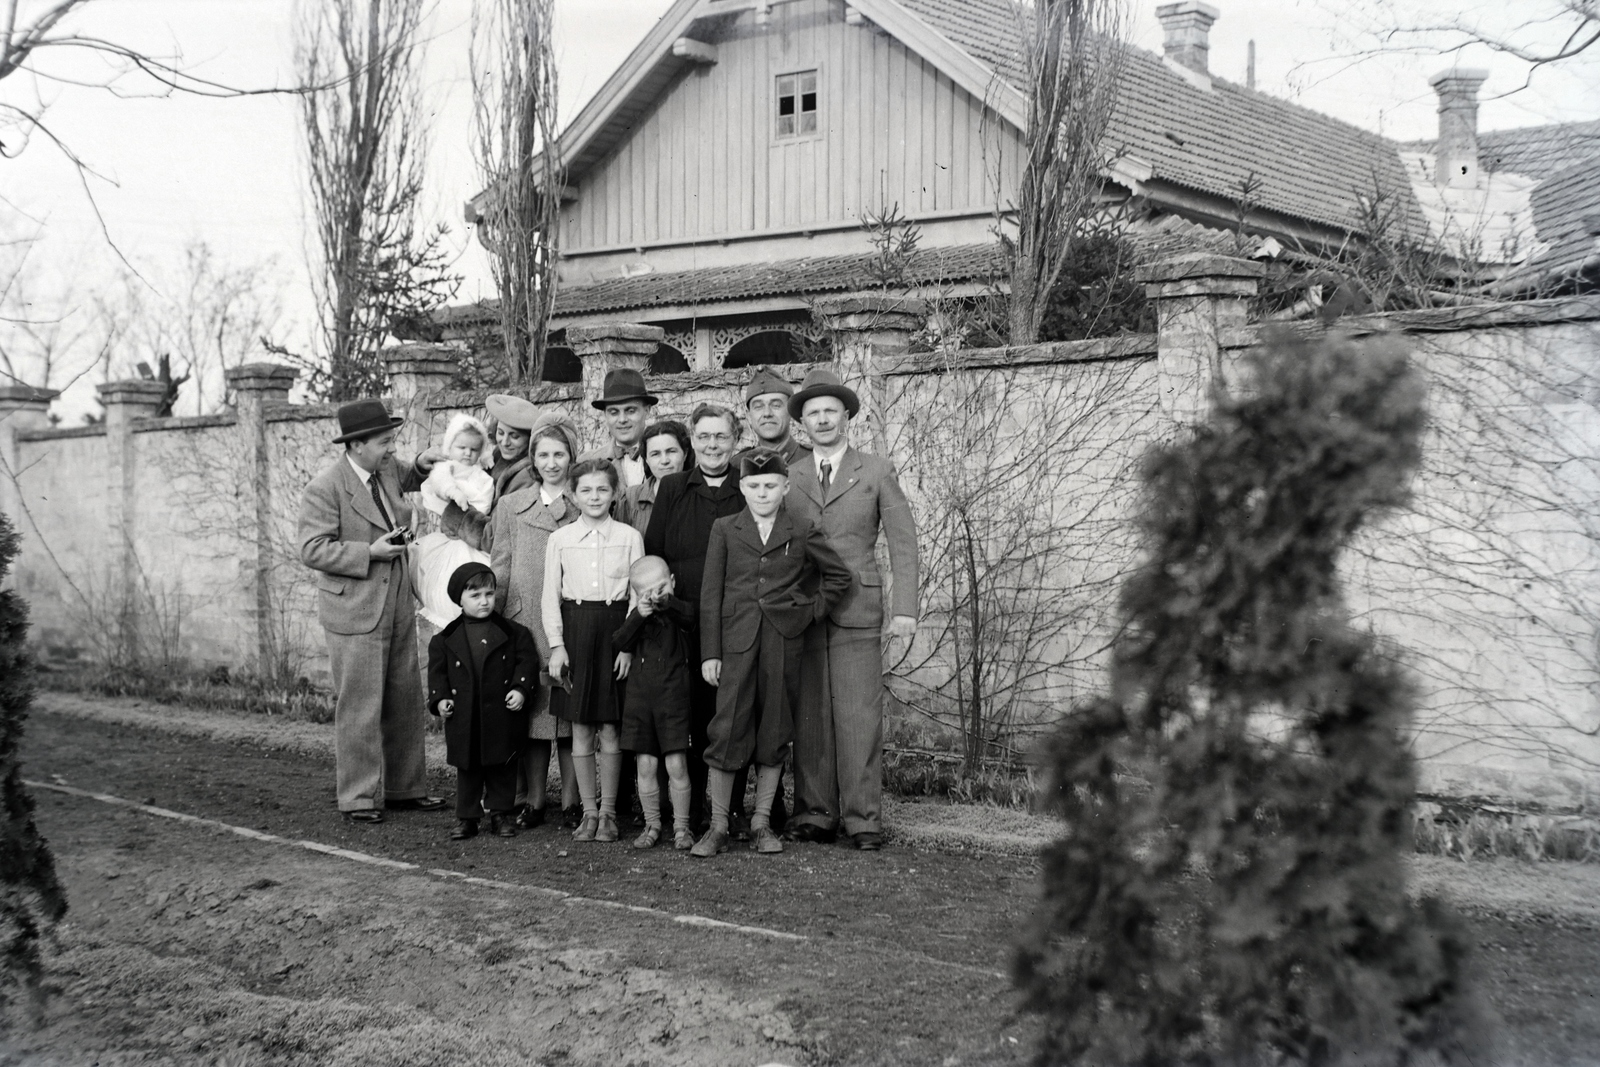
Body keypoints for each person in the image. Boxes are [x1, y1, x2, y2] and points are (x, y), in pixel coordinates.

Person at [785, 369, 920, 851]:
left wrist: (905, 608)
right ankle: (815, 813)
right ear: (801, 423)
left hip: (857, 607)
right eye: (812, 413)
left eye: (830, 411)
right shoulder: (790, 475)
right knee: (811, 714)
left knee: (859, 715)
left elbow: (904, 542)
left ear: (846, 417)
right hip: (804, 608)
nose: (821, 420)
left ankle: (863, 818)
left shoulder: (876, 470)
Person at [692, 450, 852, 858]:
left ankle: (762, 823)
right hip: (735, 644)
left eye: (770, 486)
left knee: (776, 726)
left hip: (783, 640)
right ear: (742, 488)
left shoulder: (800, 528)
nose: (762, 493)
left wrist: (807, 613)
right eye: (754, 486)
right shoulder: (725, 528)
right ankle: (719, 825)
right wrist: (710, 651)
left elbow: (837, 576)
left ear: (784, 488)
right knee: (728, 727)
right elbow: (711, 596)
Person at [297, 398, 446, 823]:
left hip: (396, 600)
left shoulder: (384, 469)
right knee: (360, 704)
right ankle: (358, 796)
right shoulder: (324, 488)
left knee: (403, 698)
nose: (390, 448)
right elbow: (312, 549)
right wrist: (371, 552)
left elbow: (408, 474)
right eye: (384, 441)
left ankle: (405, 788)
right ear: (357, 445)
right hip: (354, 609)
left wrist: (422, 460)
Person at [643, 403, 747, 832]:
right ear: (693, 442)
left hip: (734, 620)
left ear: (734, 441)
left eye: (721, 437)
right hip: (682, 621)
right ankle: (691, 810)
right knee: (690, 716)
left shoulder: (747, 486)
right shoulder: (672, 488)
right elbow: (655, 553)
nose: (712, 445)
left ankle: (733, 809)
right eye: (703, 437)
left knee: (731, 714)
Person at [490, 412, 584, 830]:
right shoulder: (511, 505)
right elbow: (502, 563)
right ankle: (533, 800)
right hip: (523, 621)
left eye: (559, 454)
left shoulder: (586, 500)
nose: (551, 463)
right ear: (532, 459)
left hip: (569, 621)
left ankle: (572, 801)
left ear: (571, 456)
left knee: (567, 713)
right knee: (532, 714)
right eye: (543, 454)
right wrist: (497, 619)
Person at [543, 458, 644, 843]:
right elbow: (550, 596)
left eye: (602, 489)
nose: (594, 496)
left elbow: (637, 595)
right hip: (577, 631)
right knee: (582, 726)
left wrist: (628, 645)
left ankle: (609, 813)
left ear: (615, 492)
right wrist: (557, 646)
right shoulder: (561, 539)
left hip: (617, 630)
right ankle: (587, 812)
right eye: (585, 490)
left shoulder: (629, 536)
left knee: (612, 727)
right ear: (572, 494)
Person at [427, 562, 539, 841]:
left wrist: (520, 690)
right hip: (465, 716)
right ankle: (467, 818)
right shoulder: (443, 639)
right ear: (459, 599)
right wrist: (440, 700)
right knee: (468, 768)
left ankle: (500, 814)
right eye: (475, 596)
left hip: (501, 714)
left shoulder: (515, 633)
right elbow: (437, 676)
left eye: (489, 594)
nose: (485, 601)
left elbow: (526, 663)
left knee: (502, 765)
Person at [611, 555, 697, 851]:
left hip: (673, 699)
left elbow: (690, 617)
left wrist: (667, 603)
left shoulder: (678, 612)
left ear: (672, 582)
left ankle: (682, 828)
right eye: (648, 592)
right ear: (636, 595)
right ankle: (652, 823)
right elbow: (620, 641)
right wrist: (638, 613)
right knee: (645, 766)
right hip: (640, 701)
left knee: (676, 764)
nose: (656, 596)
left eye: (662, 587)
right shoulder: (637, 617)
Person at [415, 414, 495, 629]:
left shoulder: (482, 476)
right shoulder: (446, 467)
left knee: (475, 582)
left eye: (474, 450)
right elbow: (439, 482)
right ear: (450, 447)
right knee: (443, 581)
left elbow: (483, 501)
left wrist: (468, 505)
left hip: (469, 538)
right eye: (462, 448)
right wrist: (455, 493)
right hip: (447, 538)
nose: (468, 454)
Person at [437, 394, 542, 552]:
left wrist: (456, 514)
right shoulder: (496, 458)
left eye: (514, 436)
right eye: (500, 432)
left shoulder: (528, 477)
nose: (504, 442)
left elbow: (496, 537)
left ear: (530, 440)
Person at [585, 368, 657, 489]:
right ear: (605, 415)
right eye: (614, 412)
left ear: (647, 410)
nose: (622, 419)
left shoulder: (665, 458)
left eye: (631, 411)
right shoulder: (588, 462)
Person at [616, 419, 690, 534]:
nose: (664, 461)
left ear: (685, 454)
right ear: (646, 459)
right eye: (655, 454)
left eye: (671, 451)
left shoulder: (699, 495)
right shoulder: (630, 498)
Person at [736, 366, 811, 467]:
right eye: (758, 407)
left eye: (776, 405)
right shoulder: (737, 465)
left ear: (790, 411)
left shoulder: (813, 461)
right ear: (749, 416)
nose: (767, 413)